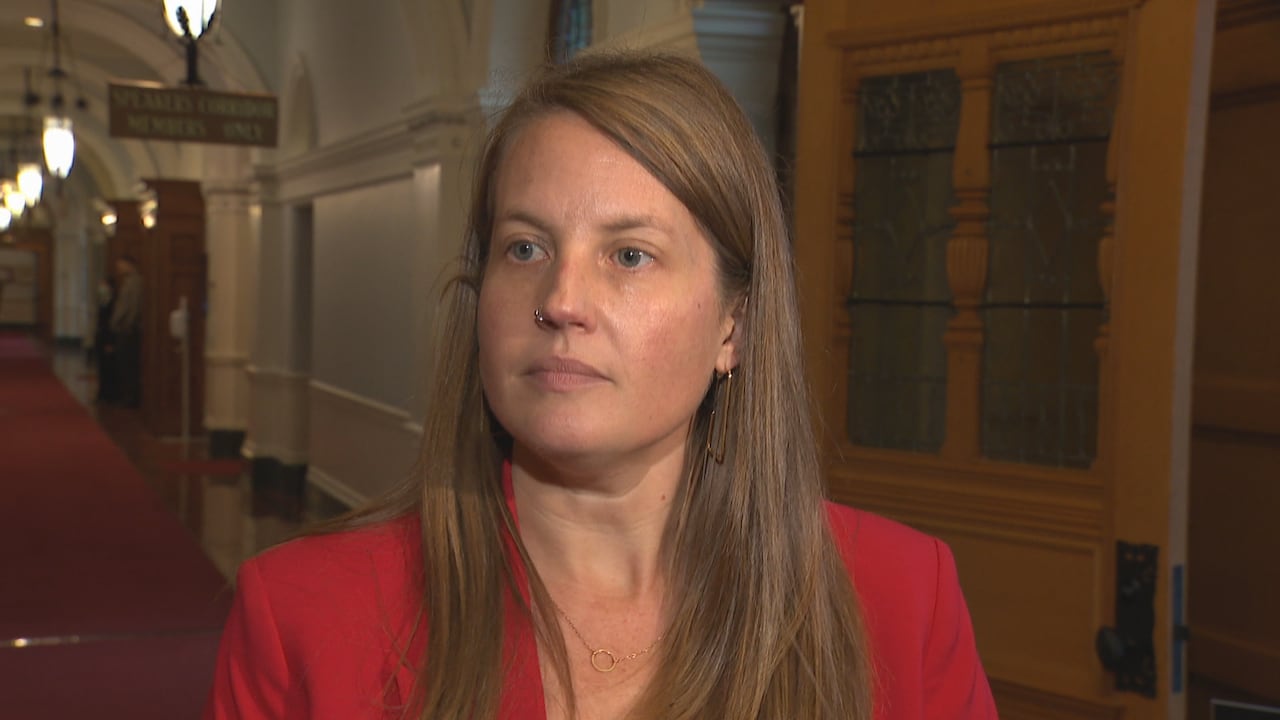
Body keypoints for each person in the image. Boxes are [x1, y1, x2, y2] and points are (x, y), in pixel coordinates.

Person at [203, 51, 997, 719]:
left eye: (629, 255)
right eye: (524, 248)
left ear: (735, 326)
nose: (561, 301)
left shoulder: (901, 598)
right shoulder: (304, 616)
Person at [110, 255, 143, 407]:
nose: (118, 268)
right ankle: (124, 395)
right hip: (122, 327)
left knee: (128, 365)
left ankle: (129, 397)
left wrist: (127, 324)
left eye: (121, 264)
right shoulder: (128, 281)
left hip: (127, 329)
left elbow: (133, 306)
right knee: (122, 364)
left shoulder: (135, 282)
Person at [93, 276, 118, 404]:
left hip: (108, 338)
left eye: (104, 285)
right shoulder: (103, 301)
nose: (101, 288)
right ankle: (102, 394)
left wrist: (110, 342)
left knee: (108, 369)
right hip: (101, 336)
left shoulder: (113, 303)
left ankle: (108, 395)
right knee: (101, 367)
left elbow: (111, 323)